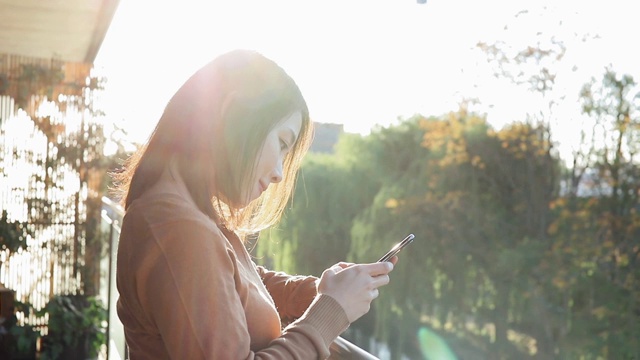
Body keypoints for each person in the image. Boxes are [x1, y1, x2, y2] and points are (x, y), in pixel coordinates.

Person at [111, 49, 396, 359]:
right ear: (231, 114)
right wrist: (330, 312)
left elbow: (239, 282)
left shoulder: (180, 214)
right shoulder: (179, 230)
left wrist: (321, 292)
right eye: (282, 143)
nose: (278, 174)